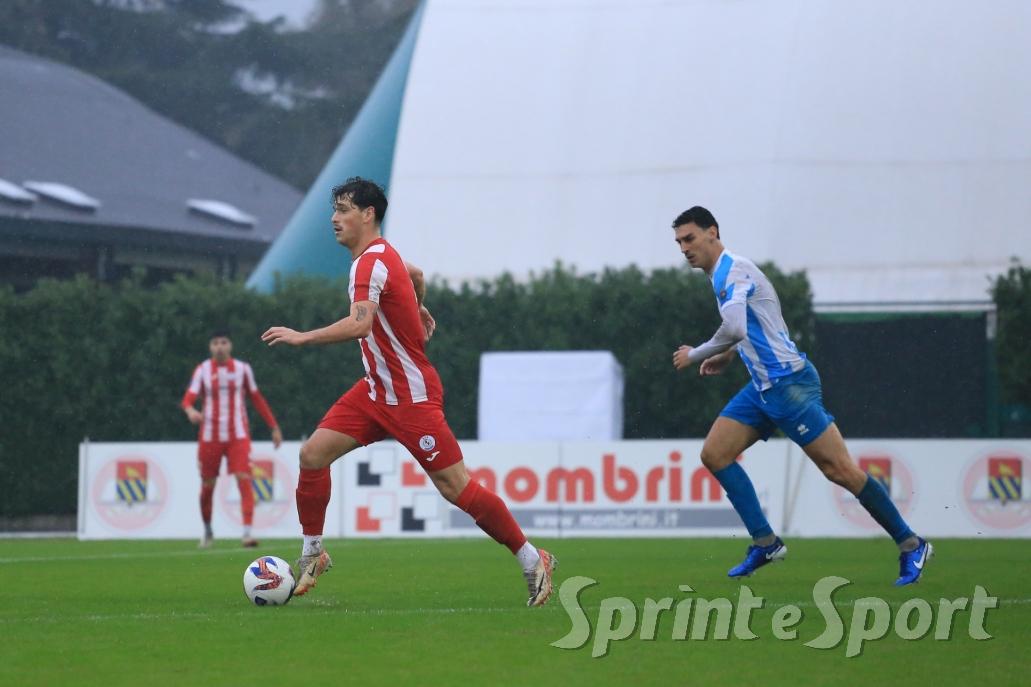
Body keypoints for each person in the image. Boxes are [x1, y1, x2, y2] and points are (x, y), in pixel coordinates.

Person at [261, 177, 557, 606]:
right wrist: (416, 305)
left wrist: (302, 337)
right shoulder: (384, 256)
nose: (334, 218)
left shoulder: (368, 265)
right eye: (334, 210)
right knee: (312, 456)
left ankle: (533, 558)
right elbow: (415, 274)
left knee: (456, 487)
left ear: (368, 214)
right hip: (375, 392)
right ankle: (313, 553)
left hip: (411, 397)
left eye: (343, 210)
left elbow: (360, 324)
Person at [670, 206, 932, 585]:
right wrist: (728, 354)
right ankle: (766, 543)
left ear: (713, 232)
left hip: (790, 385)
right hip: (763, 388)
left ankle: (912, 544)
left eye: (689, 238)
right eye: (679, 242)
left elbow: (735, 327)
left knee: (839, 470)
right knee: (715, 454)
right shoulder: (722, 275)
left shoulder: (732, 270)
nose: (684, 248)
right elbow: (753, 326)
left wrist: (695, 353)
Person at [182, 330, 283, 548]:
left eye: (223, 342)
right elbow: (188, 398)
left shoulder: (242, 369)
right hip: (210, 436)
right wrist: (190, 410)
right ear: (210, 347)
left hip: (238, 435)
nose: (219, 346)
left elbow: (256, 398)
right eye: (215, 342)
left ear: (230, 346)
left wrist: (273, 426)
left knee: (243, 477)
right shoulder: (203, 370)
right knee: (207, 485)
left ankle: (247, 533)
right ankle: (208, 529)